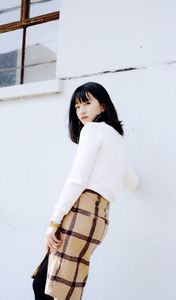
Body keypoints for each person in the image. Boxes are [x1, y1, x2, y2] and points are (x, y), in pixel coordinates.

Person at [32, 82, 140, 300]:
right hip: (99, 220)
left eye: (87, 103)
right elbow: (133, 182)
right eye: (76, 107)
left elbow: (77, 180)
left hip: (81, 212)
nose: (81, 111)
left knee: (51, 288)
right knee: (63, 286)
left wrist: (54, 222)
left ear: (102, 106)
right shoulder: (117, 139)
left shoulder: (92, 130)